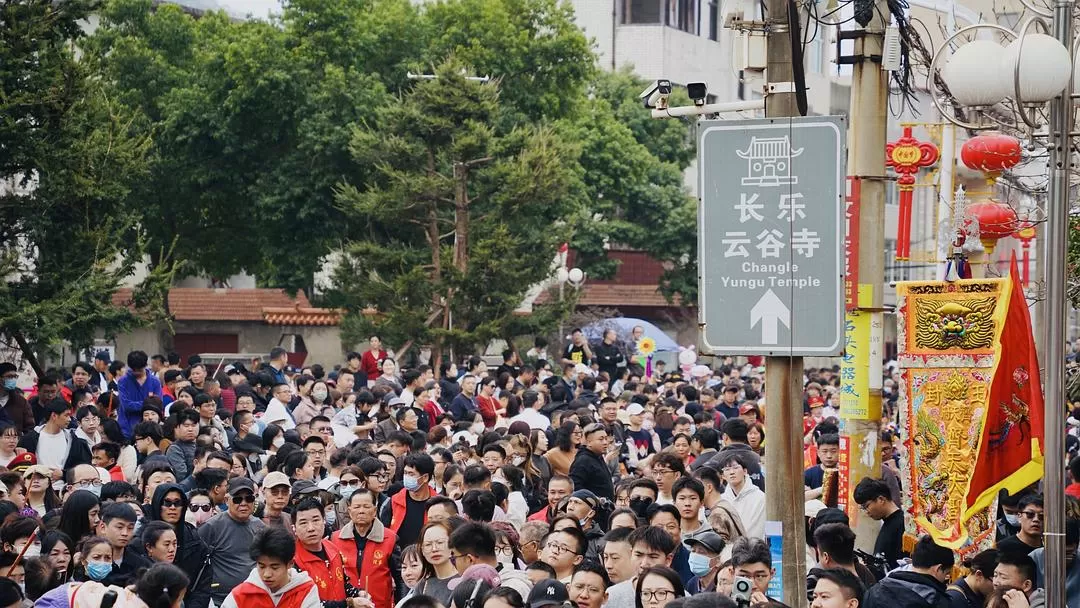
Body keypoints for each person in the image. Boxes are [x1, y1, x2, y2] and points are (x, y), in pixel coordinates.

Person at [198, 477, 267, 606]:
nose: (243, 503)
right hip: (221, 599)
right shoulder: (211, 527)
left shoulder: (260, 526)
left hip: (255, 597)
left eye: (249, 498)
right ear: (227, 500)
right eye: (237, 499)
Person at [330, 488, 400, 608]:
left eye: (366, 507)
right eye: (357, 507)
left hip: (379, 604)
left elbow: (400, 577)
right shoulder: (336, 539)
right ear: (350, 510)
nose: (361, 511)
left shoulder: (389, 538)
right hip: (348, 604)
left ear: (374, 510)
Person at [145, 483, 211, 608]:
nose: (173, 507)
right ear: (158, 504)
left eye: (177, 503)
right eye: (167, 503)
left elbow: (202, 587)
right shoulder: (143, 537)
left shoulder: (194, 539)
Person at [221, 526, 322, 608]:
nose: (267, 574)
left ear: (290, 564)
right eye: (261, 566)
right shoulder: (241, 594)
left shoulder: (305, 590)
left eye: (274, 567)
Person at [863, 535, 953, 608]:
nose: (946, 578)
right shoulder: (937, 602)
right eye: (947, 573)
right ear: (938, 568)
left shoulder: (874, 591)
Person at [291, 498, 349, 607]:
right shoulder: (292, 561)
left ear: (324, 521)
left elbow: (344, 584)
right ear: (294, 528)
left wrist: (358, 593)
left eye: (316, 520)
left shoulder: (333, 549)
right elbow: (304, 604)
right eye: (303, 523)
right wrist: (348, 604)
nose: (311, 528)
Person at [19, 399, 91, 485]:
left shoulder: (75, 441)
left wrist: (63, 474)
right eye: (66, 415)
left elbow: (83, 467)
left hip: (64, 488)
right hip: (36, 486)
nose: (69, 419)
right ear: (54, 416)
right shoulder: (29, 439)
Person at [604, 526, 678, 608]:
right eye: (638, 555)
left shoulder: (682, 599)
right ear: (631, 553)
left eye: (653, 557)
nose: (644, 564)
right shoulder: (613, 596)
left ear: (668, 560)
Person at [381, 453, 435, 548]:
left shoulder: (437, 504)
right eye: (405, 473)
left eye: (411, 474)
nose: (406, 477)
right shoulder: (394, 502)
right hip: (398, 558)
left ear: (425, 477)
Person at [852, 477, 906, 568]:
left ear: (881, 499)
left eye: (866, 506)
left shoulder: (902, 524)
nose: (866, 511)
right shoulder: (886, 522)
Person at [96, 502, 152, 587]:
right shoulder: (93, 562)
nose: (125, 533)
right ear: (103, 527)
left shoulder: (141, 565)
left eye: (130, 528)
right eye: (119, 527)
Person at [717, 453, 765, 539]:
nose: (732, 472)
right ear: (723, 476)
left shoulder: (760, 497)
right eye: (727, 469)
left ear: (745, 471)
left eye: (736, 468)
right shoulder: (721, 500)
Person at [117, 351, 162, 439]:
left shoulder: (155, 381)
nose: (137, 373)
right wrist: (147, 403)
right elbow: (126, 405)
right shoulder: (123, 381)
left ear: (145, 365)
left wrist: (137, 404)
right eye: (134, 370)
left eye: (139, 370)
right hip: (127, 429)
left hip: (150, 429)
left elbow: (158, 405)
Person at [414, 521, 458, 606]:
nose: (434, 549)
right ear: (422, 550)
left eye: (440, 542)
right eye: (428, 544)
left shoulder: (463, 580)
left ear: (451, 545)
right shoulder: (423, 585)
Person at [569, 423, 615, 502]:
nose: (605, 442)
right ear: (589, 442)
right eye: (601, 439)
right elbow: (575, 486)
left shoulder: (598, 457)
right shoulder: (583, 460)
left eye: (606, 438)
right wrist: (594, 501)